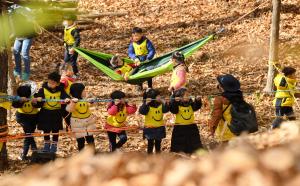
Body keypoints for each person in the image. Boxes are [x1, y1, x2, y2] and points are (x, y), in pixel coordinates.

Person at [33, 72, 70, 153]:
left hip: (56, 113)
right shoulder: (43, 89)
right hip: (45, 113)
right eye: (49, 82)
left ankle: (54, 145)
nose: (50, 84)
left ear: (57, 83)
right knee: (46, 129)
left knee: (55, 130)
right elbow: (38, 98)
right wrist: (37, 99)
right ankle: (46, 144)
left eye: (53, 83)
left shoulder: (60, 90)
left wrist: (67, 99)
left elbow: (66, 96)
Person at [208, 74, 243, 142]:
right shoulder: (240, 97)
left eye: (219, 84)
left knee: (226, 151)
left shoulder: (220, 99)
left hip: (226, 132)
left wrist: (212, 129)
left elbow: (217, 115)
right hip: (238, 131)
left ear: (221, 87)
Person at [169, 88, 202, 154]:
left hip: (191, 127)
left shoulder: (191, 104)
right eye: (186, 95)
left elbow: (196, 107)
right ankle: (180, 154)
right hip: (180, 128)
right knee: (180, 144)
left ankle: (194, 153)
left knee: (193, 142)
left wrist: (198, 101)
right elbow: (173, 110)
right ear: (180, 97)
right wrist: (175, 102)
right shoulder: (177, 105)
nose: (188, 96)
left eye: (188, 94)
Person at [9, 4, 36, 81]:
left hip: (27, 35)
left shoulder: (24, 10)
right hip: (19, 36)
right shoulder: (10, 10)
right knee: (16, 52)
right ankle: (18, 70)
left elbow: (31, 19)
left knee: (24, 53)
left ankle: (27, 72)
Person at [66, 83, 96, 151]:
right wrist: (73, 103)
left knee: (90, 139)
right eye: (84, 90)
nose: (85, 92)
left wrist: (92, 101)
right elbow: (69, 109)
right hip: (77, 124)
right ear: (78, 92)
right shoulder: (72, 100)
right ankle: (81, 155)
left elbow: (92, 105)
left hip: (88, 123)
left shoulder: (84, 99)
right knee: (80, 141)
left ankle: (92, 153)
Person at [12, 85, 39, 160]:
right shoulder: (18, 96)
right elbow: (14, 105)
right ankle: (32, 151)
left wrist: (35, 103)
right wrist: (21, 101)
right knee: (28, 134)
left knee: (29, 135)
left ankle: (25, 154)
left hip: (34, 117)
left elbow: (40, 104)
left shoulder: (34, 95)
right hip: (22, 117)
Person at [139, 89, 169, 154]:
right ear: (153, 97)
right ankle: (149, 156)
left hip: (159, 127)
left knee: (158, 143)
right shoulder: (148, 106)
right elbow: (142, 111)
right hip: (150, 128)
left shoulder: (160, 105)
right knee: (150, 143)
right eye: (157, 96)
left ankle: (158, 156)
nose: (159, 97)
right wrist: (145, 103)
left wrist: (164, 102)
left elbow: (166, 110)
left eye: (159, 96)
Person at [60, 63, 76, 130]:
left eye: (72, 69)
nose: (72, 71)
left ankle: (68, 129)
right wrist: (65, 97)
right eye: (70, 70)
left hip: (68, 102)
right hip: (62, 103)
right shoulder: (64, 80)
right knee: (66, 116)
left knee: (68, 117)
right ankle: (65, 129)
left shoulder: (69, 80)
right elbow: (60, 89)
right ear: (64, 71)